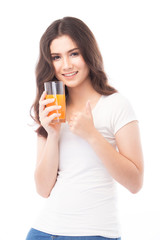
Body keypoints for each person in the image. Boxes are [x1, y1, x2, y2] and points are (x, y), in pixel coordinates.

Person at [26, 16, 144, 240]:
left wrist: (92, 135)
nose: (66, 65)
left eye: (74, 53)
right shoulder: (51, 109)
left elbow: (135, 182)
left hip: (94, 233)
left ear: (88, 54)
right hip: (43, 231)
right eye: (56, 57)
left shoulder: (116, 105)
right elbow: (43, 189)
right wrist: (52, 133)